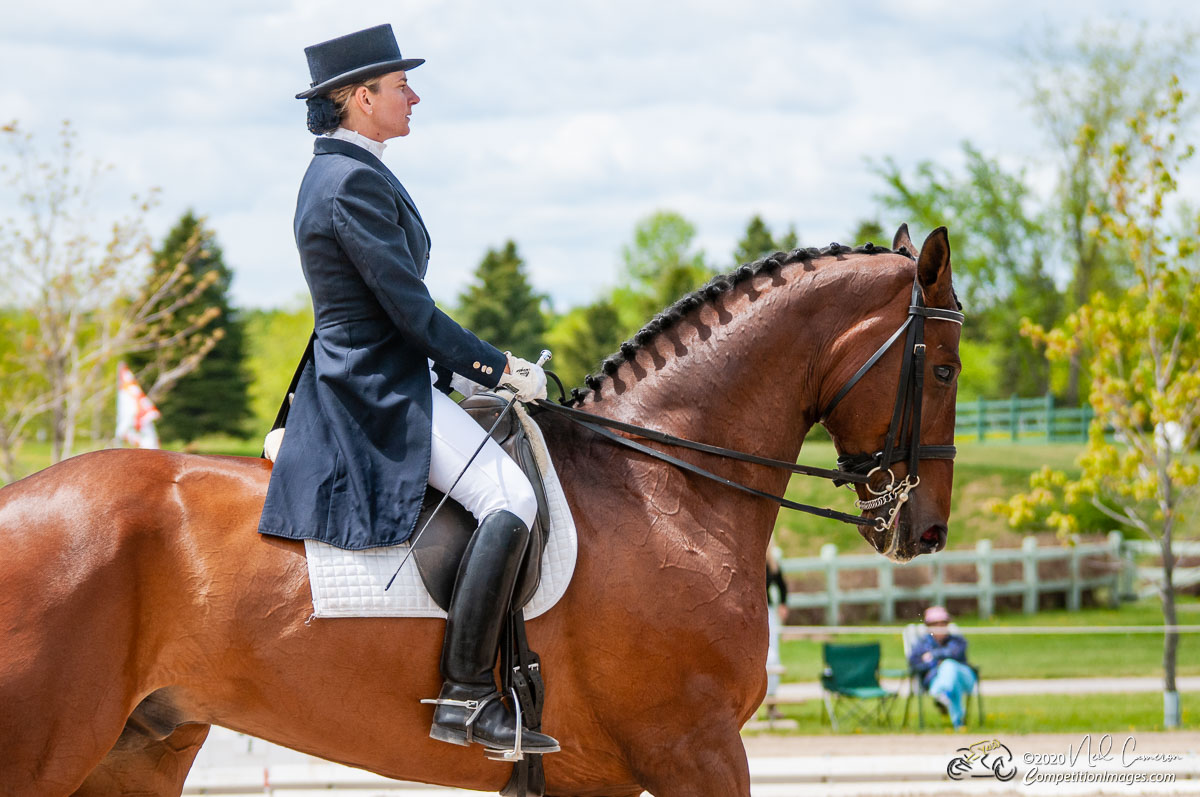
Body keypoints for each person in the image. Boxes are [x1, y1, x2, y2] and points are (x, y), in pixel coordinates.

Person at [257, 23, 559, 756]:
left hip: (387, 366)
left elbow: (387, 308)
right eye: (400, 86)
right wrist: (502, 368)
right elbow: (410, 311)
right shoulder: (350, 180)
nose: (413, 95)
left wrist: (453, 370)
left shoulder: (346, 170)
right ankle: (465, 694)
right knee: (510, 496)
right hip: (372, 389)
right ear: (361, 97)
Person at [907, 606, 976, 730]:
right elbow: (915, 663)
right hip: (939, 681)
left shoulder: (957, 640)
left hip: (964, 678)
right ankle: (958, 722)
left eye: (943, 623)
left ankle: (943, 694)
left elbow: (954, 653)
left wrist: (933, 656)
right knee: (952, 681)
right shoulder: (922, 644)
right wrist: (934, 664)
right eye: (935, 623)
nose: (939, 626)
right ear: (928, 626)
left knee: (949, 665)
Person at [765, 544, 788, 720]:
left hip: (769, 611)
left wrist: (782, 604)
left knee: (773, 657)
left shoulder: (771, 562)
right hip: (753, 610)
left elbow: (781, 584)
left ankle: (772, 703)